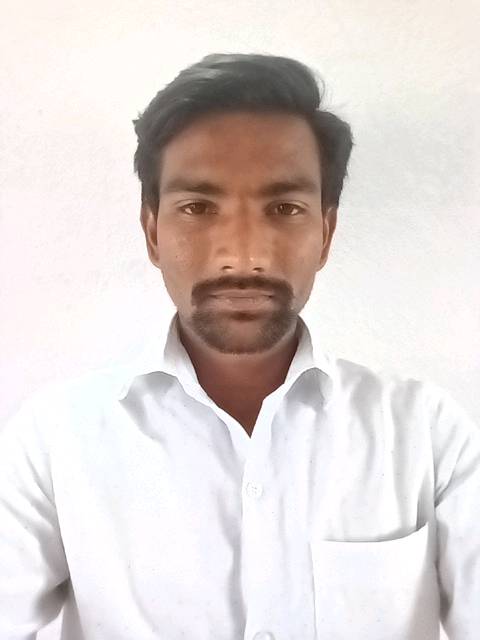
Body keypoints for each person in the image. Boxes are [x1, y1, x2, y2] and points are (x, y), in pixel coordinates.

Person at [0, 52, 479, 640]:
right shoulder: (54, 441)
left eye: (285, 208)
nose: (243, 254)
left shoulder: (427, 435)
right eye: (198, 208)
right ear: (152, 232)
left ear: (326, 232)